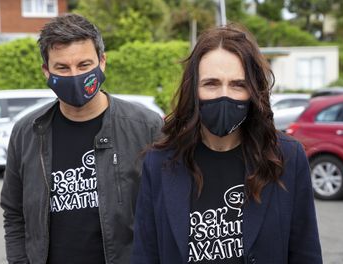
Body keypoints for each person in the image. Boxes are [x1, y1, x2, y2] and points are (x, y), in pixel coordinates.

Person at [131, 24, 322, 264]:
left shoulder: (287, 157)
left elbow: (306, 253)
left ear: (254, 91)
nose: (224, 95)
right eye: (211, 83)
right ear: (194, 89)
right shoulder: (160, 163)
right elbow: (145, 255)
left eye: (238, 84)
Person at [0, 14, 163, 264]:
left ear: (102, 62)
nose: (74, 76)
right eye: (62, 68)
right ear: (46, 71)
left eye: (84, 65)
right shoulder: (27, 132)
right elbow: (14, 213)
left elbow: (165, 212)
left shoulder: (146, 127)